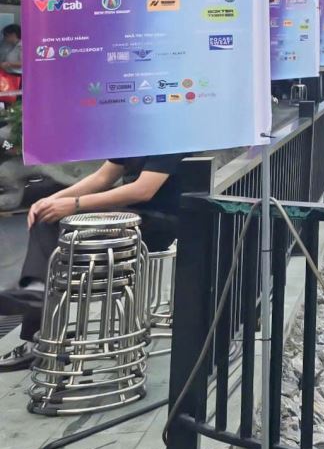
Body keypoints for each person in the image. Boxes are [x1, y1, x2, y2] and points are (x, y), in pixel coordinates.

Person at [0, 155, 192, 372]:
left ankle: (38, 309)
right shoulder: (132, 137)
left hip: (156, 222)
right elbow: (102, 177)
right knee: (45, 218)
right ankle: (38, 298)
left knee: (52, 226)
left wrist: (74, 204)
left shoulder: (166, 140)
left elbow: (143, 190)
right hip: (126, 216)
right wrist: (49, 201)